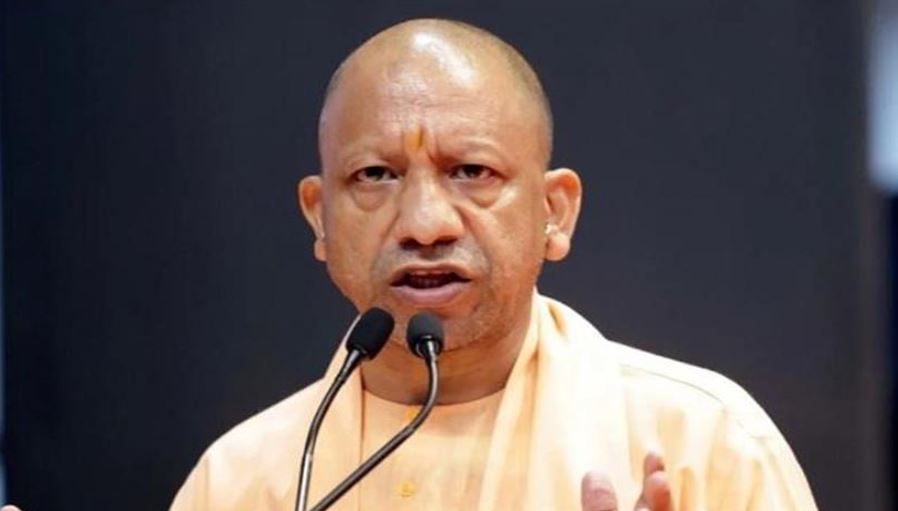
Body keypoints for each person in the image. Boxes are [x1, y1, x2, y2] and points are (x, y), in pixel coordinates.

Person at [2, 18, 818, 511]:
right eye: (375, 176)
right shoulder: (245, 479)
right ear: (320, 218)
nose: (425, 224)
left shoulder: (702, 443)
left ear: (555, 211)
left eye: (472, 171)